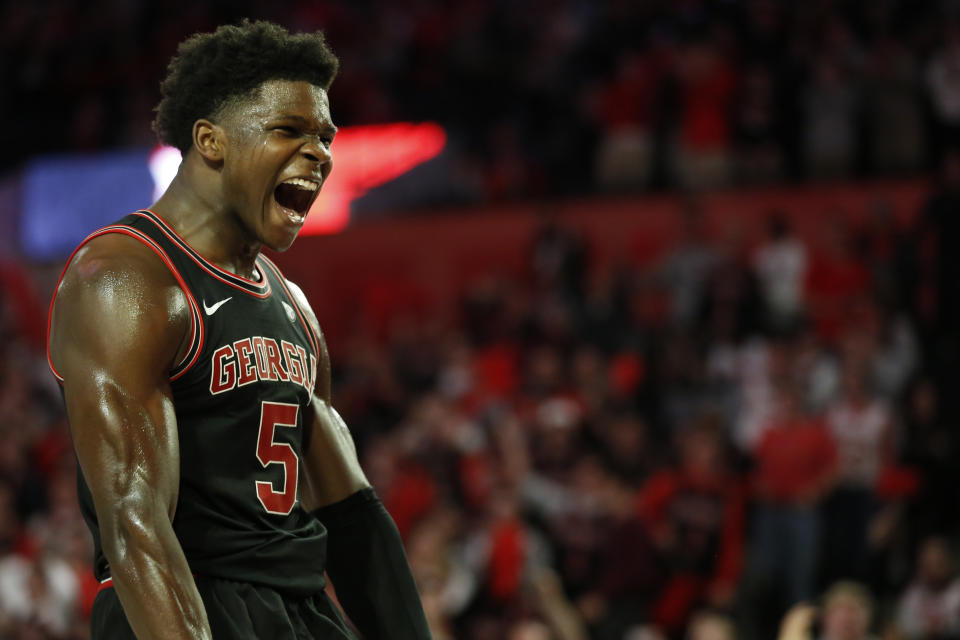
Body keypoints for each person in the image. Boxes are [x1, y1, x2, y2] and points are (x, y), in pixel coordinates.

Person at [46, 20, 431, 640]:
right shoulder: (125, 277)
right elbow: (136, 522)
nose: (320, 154)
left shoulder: (293, 304)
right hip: (181, 606)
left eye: (325, 136)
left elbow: (353, 516)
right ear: (211, 141)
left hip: (299, 610)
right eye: (289, 130)